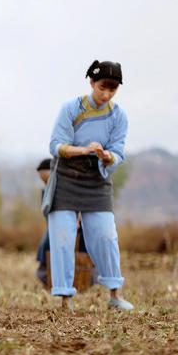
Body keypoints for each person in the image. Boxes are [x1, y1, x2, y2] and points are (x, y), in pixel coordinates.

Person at [47, 60, 133, 310]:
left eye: (113, 90)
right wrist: (85, 149)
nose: (106, 94)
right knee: (63, 237)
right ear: (92, 83)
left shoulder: (118, 115)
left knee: (106, 236)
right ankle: (65, 298)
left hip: (97, 179)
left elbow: (118, 151)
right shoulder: (71, 108)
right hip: (66, 178)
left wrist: (107, 156)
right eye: (102, 88)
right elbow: (56, 145)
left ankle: (115, 295)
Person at [35, 159, 90, 286]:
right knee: (47, 242)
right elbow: (46, 213)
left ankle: (83, 277)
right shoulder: (45, 191)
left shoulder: (69, 184)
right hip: (55, 225)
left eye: (46, 178)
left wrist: (78, 216)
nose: (45, 182)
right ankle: (47, 272)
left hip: (77, 222)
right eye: (43, 180)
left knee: (83, 245)